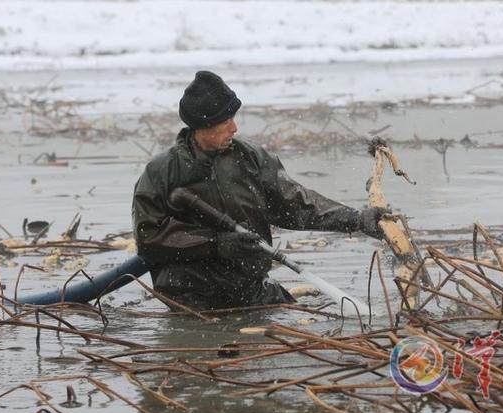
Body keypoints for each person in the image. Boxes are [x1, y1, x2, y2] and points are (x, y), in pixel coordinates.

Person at [132, 71, 389, 310]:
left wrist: (355, 219)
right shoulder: (161, 173)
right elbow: (149, 238)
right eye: (225, 120)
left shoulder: (250, 158)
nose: (234, 127)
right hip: (191, 300)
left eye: (234, 117)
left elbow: (295, 205)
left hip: (251, 290)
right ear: (202, 126)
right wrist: (214, 245)